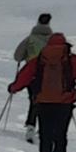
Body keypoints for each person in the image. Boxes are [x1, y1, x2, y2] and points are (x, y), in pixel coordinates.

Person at [13, 13, 53, 143]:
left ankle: (31, 127)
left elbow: (17, 56)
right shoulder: (53, 40)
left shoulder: (30, 39)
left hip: (32, 75)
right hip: (51, 76)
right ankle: (44, 128)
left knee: (34, 100)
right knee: (47, 101)